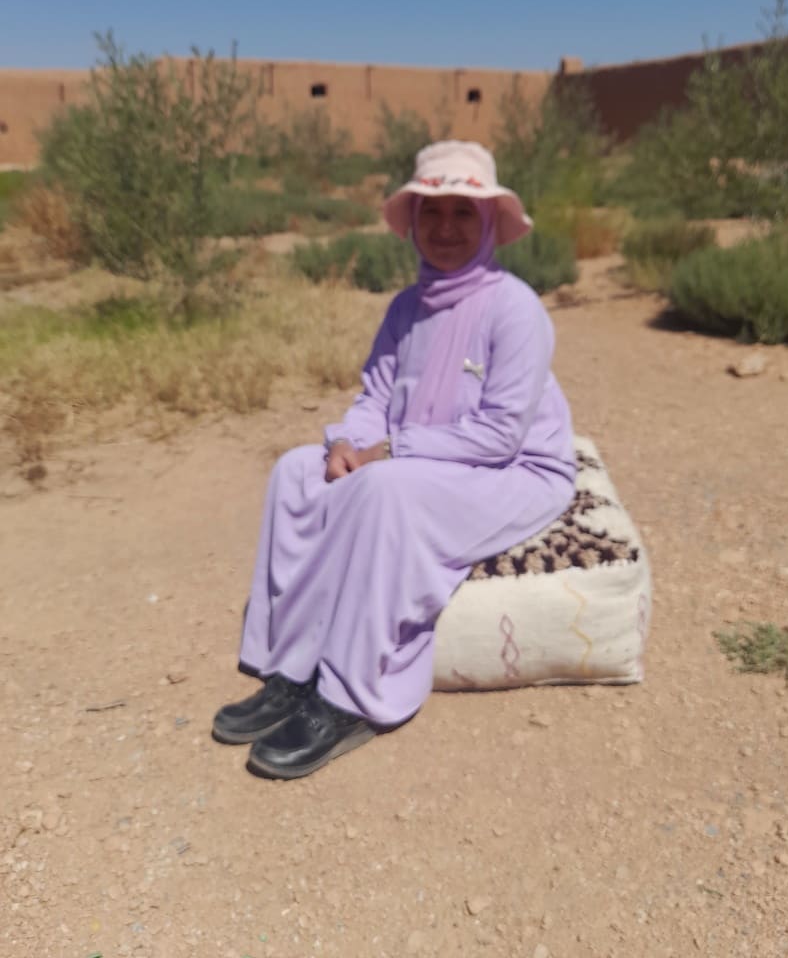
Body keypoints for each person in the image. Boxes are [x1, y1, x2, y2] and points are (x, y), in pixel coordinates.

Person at [212, 140, 576, 779]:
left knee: (385, 492)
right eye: (429, 213)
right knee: (295, 471)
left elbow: (498, 435)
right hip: (425, 460)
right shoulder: (406, 308)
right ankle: (290, 668)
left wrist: (390, 453)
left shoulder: (516, 308)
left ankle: (349, 696)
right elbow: (376, 395)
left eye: (463, 213)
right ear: (410, 223)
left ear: (490, 224)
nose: (444, 229)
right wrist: (346, 446)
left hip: (514, 471)